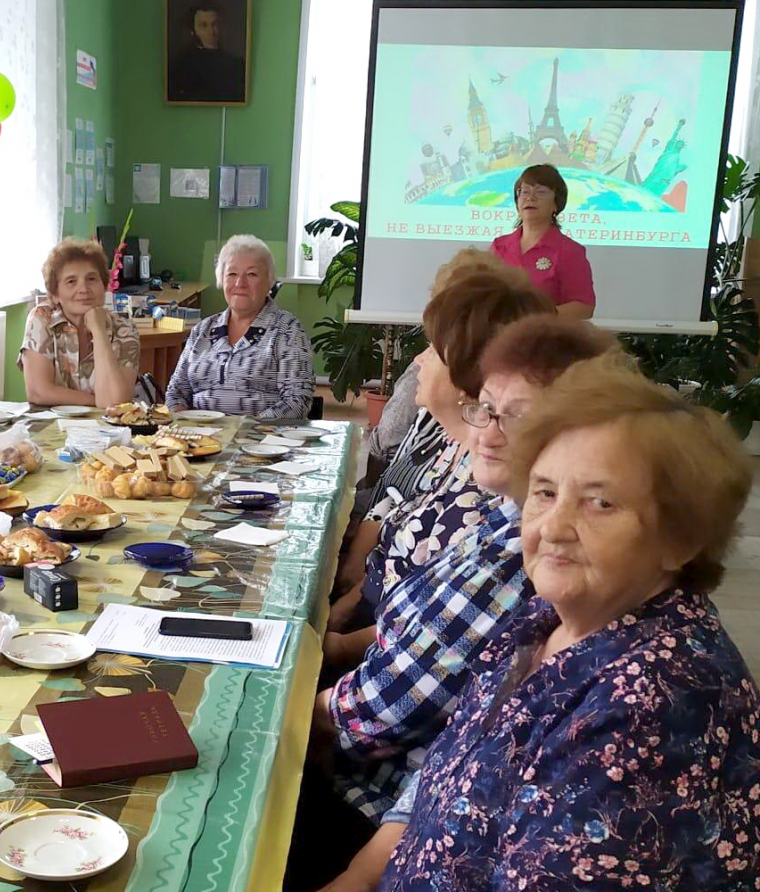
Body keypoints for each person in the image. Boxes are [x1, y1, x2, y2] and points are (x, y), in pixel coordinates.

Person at [378, 356, 760, 890]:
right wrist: (357, 873)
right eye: (545, 491)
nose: (554, 527)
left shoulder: (652, 705)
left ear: (682, 538)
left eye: (601, 503)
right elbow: (448, 768)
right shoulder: (549, 618)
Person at [312, 317, 619, 892]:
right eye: (485, 407)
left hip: (368, 797)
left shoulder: (629, 676)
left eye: (600, 501)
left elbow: (388, 717)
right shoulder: (515, 538)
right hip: (390, 816)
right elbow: (453, 761)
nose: (488, 432)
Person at [332, 272, 552, 613]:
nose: (418, 360)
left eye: (431, 350)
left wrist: (340, 627)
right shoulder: (454, 441)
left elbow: (424, 613)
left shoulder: (491, 471)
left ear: (466, 371)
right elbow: (401, 508)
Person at [166, 235, 314, 419]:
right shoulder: (202, 330)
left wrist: (243, 429)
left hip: (260, 440)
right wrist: (186, 426)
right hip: (199, 439)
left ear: (269, 281)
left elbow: (297, 402)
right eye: (232, 274)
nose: (240, 283)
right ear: (221, 279)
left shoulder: (287, 330)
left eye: (251, 274)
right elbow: (176, 392)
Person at [20, 238, 140, 409]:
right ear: (55, 294)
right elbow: (38, 391)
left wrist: (99, 331)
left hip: (108, 431)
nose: (83, 289)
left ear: (104, 286)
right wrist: (95, 402)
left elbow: (118, 403)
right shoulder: (42, 319)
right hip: (53, 428)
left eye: (91, 279)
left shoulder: (125, 329)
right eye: (71, 281)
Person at [491, 163, 595, 319]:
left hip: (546, 339)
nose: (530, 198)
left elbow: (584, 307)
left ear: (556, 203)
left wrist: (536, 316)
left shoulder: (569, 251)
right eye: (524, 192)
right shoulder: (499, 246)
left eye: (541, 192)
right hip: (499, 339)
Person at [168, 3, 246, 103]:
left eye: (215, 24)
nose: (211, 32)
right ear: (193, 30)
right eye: (203, 25)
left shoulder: (236, 63)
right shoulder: (180, 64)